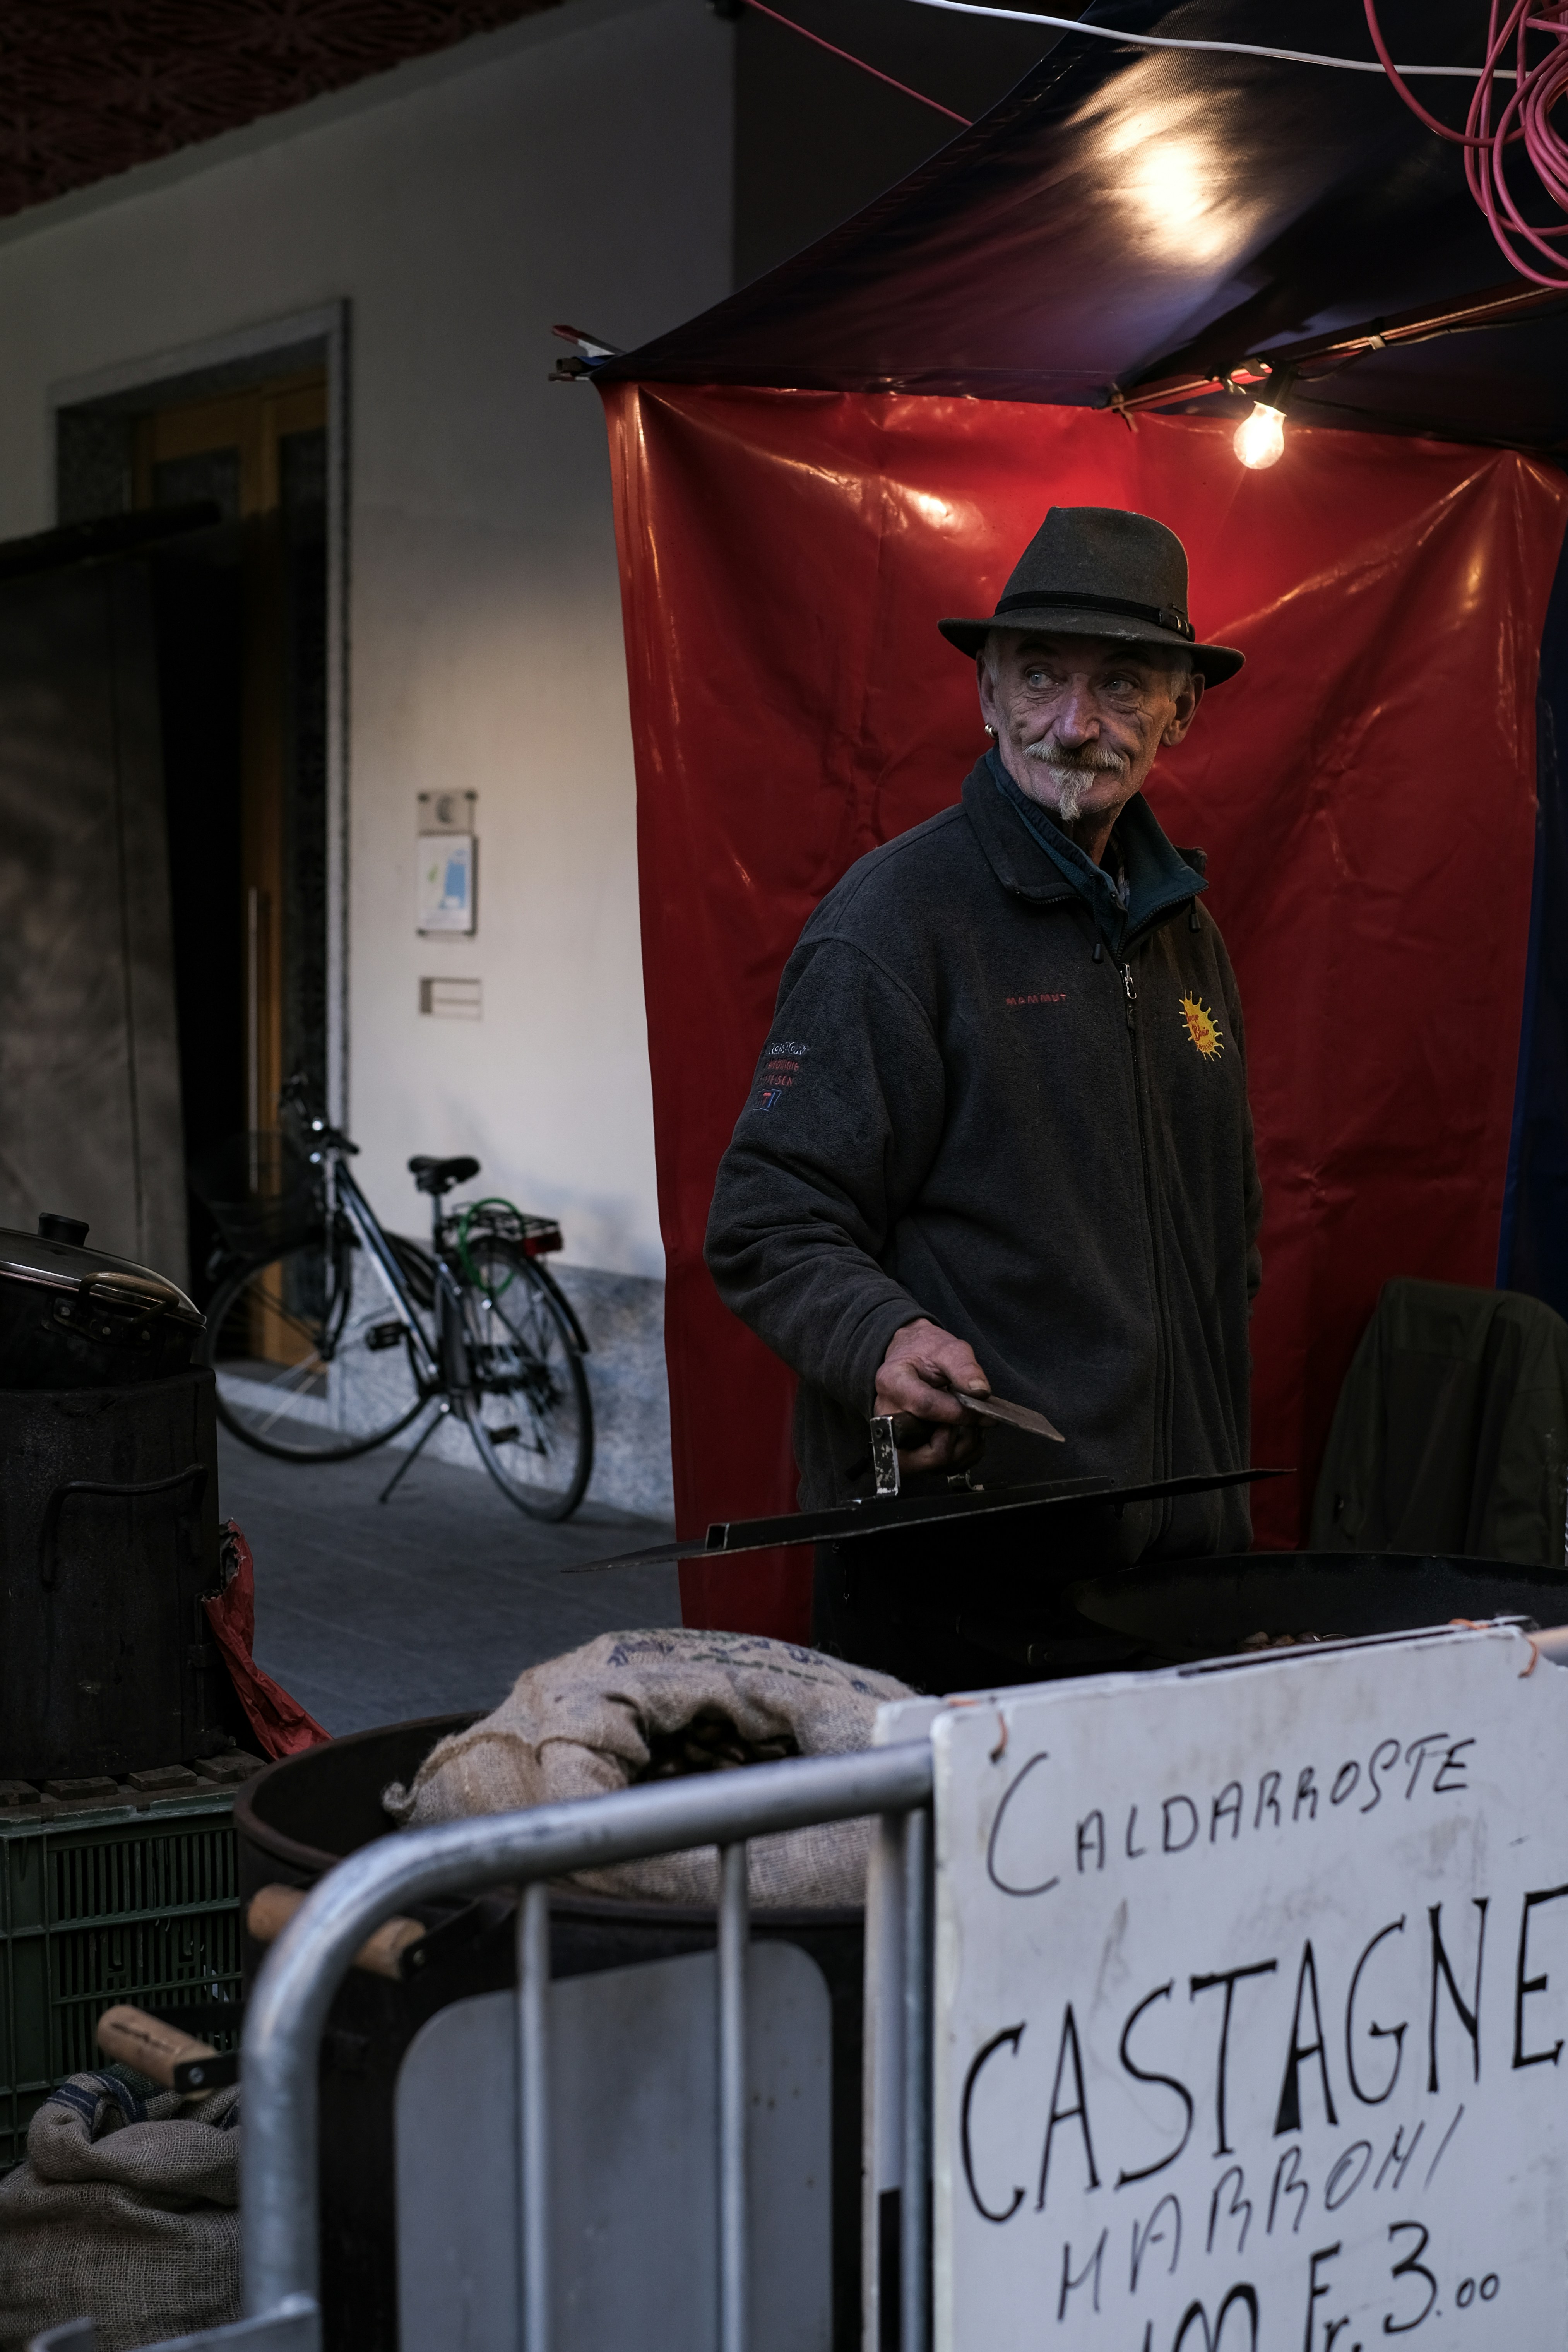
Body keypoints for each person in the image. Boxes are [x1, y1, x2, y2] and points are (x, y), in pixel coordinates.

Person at [705, 505, 1263, 1689]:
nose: (1076, 725)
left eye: (1121, 686)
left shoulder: (1185, 935)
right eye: (1042, 679)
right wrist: (883, 1335)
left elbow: (1224, 1247)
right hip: (966, 1586)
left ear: (1181, 709)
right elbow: (767, 1219)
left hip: (1179, 1583)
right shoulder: (895, 923)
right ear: (987, 697)